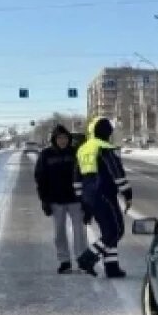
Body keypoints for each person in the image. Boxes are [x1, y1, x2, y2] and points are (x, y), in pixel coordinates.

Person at [75, 117, 132, 278]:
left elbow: (76, 178)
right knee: (116, 230)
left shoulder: (83, 149)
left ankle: (112, 267)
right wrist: (127, 194)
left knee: (108, 231)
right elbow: (117, 173)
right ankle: (87, 258)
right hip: (105, 194)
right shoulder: (105, 147)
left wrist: (83, 203)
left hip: (89, 196)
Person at [34, 124, 87, 274]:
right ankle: (64, 261)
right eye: (59, 138)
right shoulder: (46, 155)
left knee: (80, 232)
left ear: (68, 139)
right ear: (54, 139)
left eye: (64, 138)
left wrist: (86, 198)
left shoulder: (76, 153)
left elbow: (85, 176)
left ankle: (82, 260)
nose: (62, 140)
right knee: (59, 233)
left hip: (75, 199)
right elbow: (40, 178)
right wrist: (44, 199)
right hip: (55, 200)